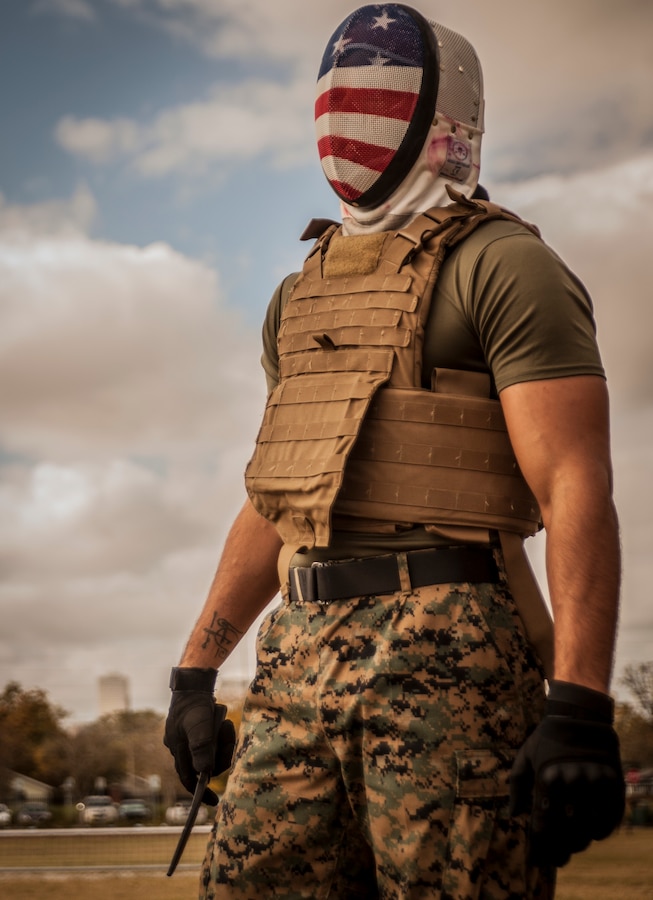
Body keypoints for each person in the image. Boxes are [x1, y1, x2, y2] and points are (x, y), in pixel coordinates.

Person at [164, 5, 625, 898]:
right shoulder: (300, 293)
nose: (351, 114)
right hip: (296, 651)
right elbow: (280, 496)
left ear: (444, 113)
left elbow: (573, 482)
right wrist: (195, 669)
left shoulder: (504, 265)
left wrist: (579, 706)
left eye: (379, 87)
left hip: (450, 642)